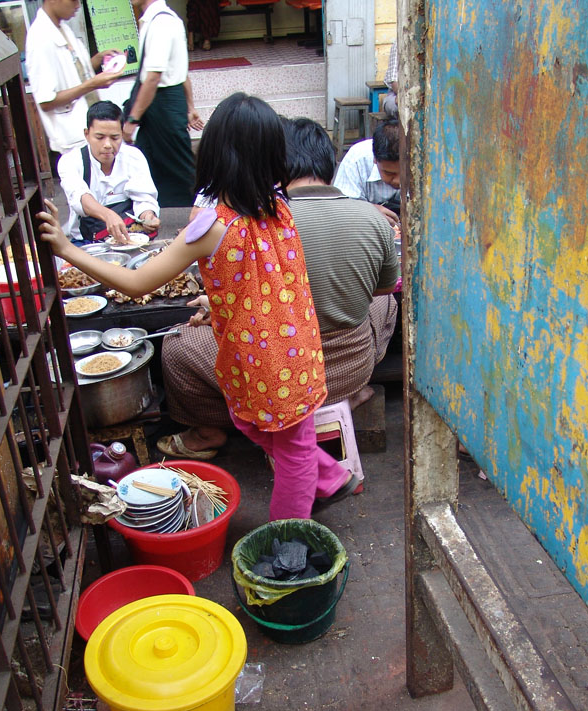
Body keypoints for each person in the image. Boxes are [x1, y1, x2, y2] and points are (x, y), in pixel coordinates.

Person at [37, 93, 359, 521]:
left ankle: (288, 537)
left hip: (269, 361)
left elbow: (137, 283)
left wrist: (67, 249)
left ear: (213, 154)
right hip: (293, 352)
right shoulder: (279, 207)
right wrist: (222, 297)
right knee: (254, 426)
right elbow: (265, 274)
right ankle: (334, 478)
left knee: (293, 454)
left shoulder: (213, 226)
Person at [158, 117, 400, 460]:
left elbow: (260, 300)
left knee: (176, 347)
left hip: (287, 377)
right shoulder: (374, 217)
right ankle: (353, 392)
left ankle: (209, 430)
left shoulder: (262, 223)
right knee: (386, 301)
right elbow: (386, 286)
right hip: (352, 365)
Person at [123, 0, 205, 207]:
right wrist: (190, 107)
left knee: (180, 166)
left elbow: (153, 77)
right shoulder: (160, 20)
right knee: (144, 161)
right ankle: (147, 212)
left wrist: (132, 119)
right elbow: (180, 69)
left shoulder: (162, 23)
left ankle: (206, 216)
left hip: (163, 102)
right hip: (160, 103)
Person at [25, 0, 123, 163]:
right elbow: (46, 101)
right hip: (74, 139)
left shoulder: (62, 28)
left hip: (92, 130)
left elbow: (72, 74)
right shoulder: (40, 38)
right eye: (73, 0)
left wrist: (98, 60)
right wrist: (92, 84)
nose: (78, 5)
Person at [57, 101, 161, 244]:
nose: (107, 145)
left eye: (114, 138)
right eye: (100, 137)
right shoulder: (70, 161)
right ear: (87, 134)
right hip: (88, 242)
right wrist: (108, 215)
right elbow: (80, 197)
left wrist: (148, 216)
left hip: (131, 237)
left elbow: (143, 197)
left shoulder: (133, 157)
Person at [333, 119, 401, 227]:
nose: (398, 181)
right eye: (389, 173)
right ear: (375, 159)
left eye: (404, 174)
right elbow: (339, 207)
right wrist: (369, 211)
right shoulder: (356, 159)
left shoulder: (423, 161)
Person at [383, 38, 399, 118]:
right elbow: (394, 82)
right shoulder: (398, 44)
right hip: (396, 94)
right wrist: (401, 96)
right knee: (394, 106)